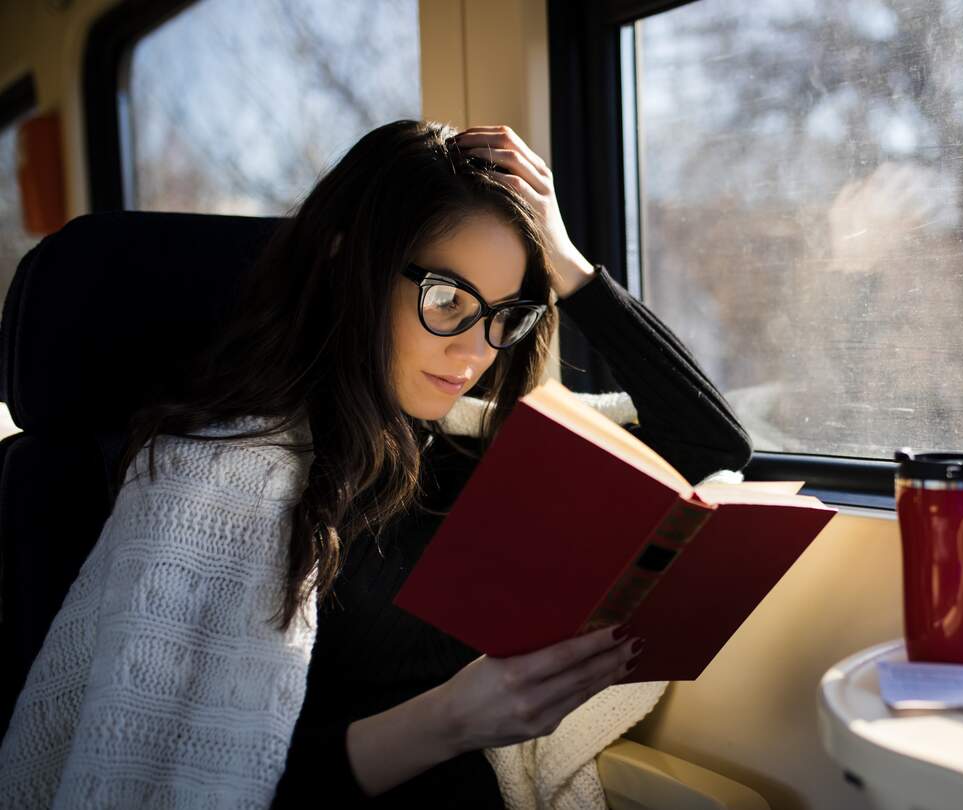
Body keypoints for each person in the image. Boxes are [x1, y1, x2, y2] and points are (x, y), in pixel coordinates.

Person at [0, 120, 752, 809]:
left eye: (503, 316)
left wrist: (569, 265)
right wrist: (450, 720)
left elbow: (712, 448)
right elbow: (184, 783)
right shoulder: (217, 479)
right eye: (448, 300)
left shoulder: (467, 449)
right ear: (347, 269)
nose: (474, 352)